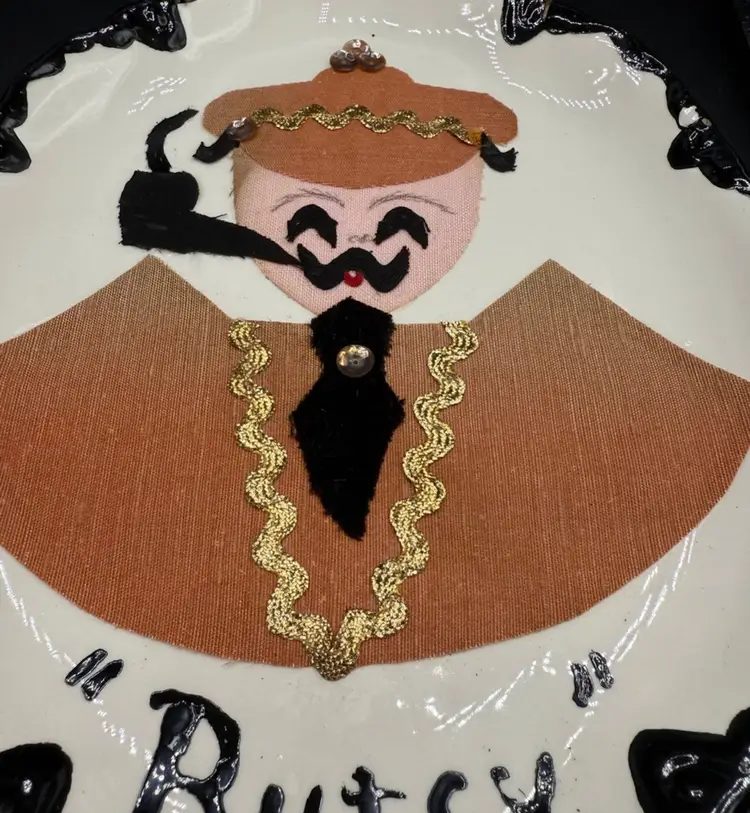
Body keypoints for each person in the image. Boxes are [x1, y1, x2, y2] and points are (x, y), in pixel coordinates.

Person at [1, 40, 749, 680]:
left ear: (470, 210)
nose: (354, 244)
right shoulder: (111, 356)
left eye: (405, 216)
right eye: (310, 215)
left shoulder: (589, 365)